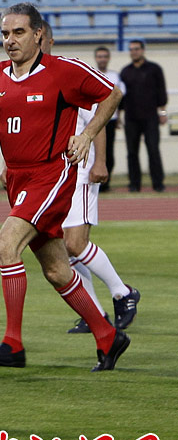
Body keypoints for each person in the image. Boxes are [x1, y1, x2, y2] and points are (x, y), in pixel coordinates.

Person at [0, 3, 130, 372]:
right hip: (18, 179)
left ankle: (13, 344)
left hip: (52, 174)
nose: (10, 40)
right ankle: (107, 335)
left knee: (6, 245)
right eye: (5, 33)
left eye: (18, 32)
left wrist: (87, 135)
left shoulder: (63, 70)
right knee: (56, 269)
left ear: (38, 35)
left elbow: (112, 93)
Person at [32, 30, 140, 334]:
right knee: (62, 248)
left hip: (80, 169)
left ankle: (122, 293)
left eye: (39, 40)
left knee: (75, 243)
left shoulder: (68, 73)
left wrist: (100, 161)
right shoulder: (30, 80)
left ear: (49, 41)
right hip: (53, 176)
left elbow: (98, 119)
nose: (34, 46)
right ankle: (96, 314)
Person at [119, 40, 168, 193]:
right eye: (131, 49)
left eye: (136, 49)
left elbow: (161, 92)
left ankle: (158, 183)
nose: (134, 52)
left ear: (142, 50)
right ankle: (134, 184)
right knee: (132, 152)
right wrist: (119, 115)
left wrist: (163, 113)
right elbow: (120, 97)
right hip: (131, 118)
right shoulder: (125, 72)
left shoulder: (154, 69)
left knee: (153, 150)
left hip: (151, 117)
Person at [92, 47, 125, 192]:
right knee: (94, 151)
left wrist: (119, 117)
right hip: (94, 120)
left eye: (105, 56)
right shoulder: (91, 74)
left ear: (109, 58)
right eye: (100, 56)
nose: (102, 59)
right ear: (96, 58)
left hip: (110, 120)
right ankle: (94, 181)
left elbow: (120, 98)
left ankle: (106, 183)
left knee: (108, 151)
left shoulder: (115, 76)